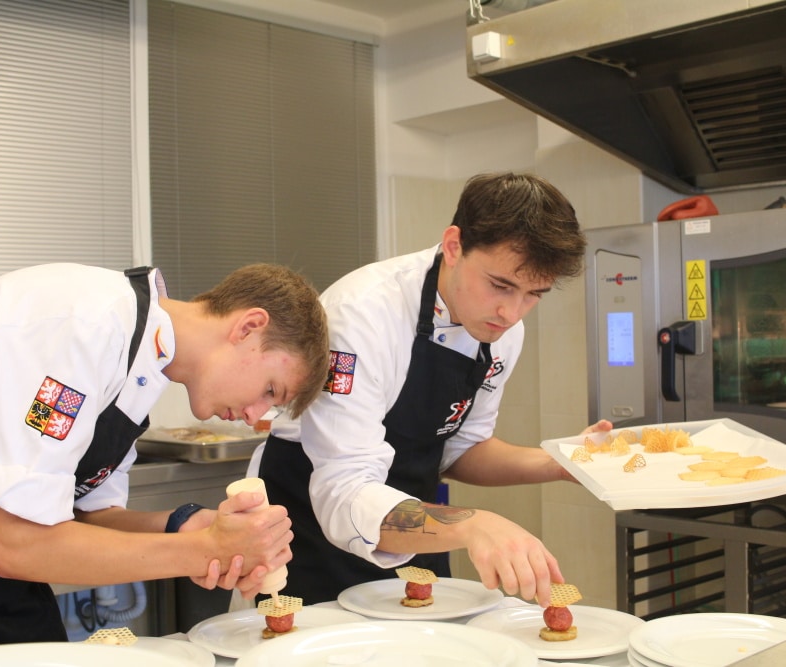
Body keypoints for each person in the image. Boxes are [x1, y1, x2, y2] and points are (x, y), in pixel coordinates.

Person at [0, 262, 329, 659]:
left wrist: (187, 526)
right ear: (249, 327)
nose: (255, 416)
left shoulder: (142, 365)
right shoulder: (87, 325)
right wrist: (202, 552)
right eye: (270, 390)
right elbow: (15, 543)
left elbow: (87, 517)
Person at [252, 172, 613, 608]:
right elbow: (345, 492)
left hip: (417, 533)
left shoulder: (501, 331)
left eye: (534, 294)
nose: (512, 312)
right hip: (311, 538)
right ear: (454, 245)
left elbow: (460, 450)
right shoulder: (362, 316)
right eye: (500, 286)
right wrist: (470, 525)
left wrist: (562, 462)